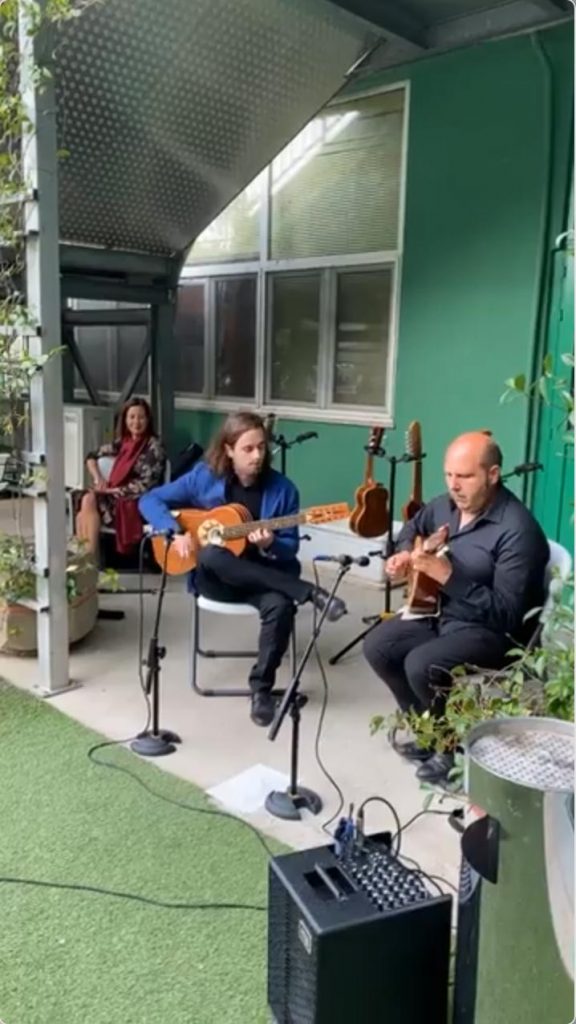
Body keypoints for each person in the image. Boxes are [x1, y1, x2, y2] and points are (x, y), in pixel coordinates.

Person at [139, 410, 347, 727]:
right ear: (228, 450)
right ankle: (309, 593)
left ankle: (261, 691)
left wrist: (269, 545)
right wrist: (174, 531)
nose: (257, 456)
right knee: (211, 554)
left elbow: (289, 546)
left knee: (280, 607)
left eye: (261, 447)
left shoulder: (284, 490)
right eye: (248, 449)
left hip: (263, 579)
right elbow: (150, 499)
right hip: (216, 579)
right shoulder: (204, 477)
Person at [363, 431, 549, 785]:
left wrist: (450, 578)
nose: (454, 485)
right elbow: (414, 526)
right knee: (379, 646)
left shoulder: (517, 531)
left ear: (492, 475)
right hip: (441, 613)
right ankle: (429, 733)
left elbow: (508, 615)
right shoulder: (445, 505)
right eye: (449, 475)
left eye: (465, 476)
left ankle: (448, 752)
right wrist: (403, 552)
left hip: (495, 634)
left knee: (421, 664)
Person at [76, 397, 166, 556]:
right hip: (113, 495)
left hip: (135, 500)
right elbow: (91, 456)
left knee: (90, 501)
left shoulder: (154, 446)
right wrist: (99, 479)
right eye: (131, 417)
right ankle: (87, 555)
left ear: (148, 420)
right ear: (125, 420)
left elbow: (145, 485)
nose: (136, 422)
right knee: (87, 499)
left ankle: (88, 556)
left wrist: (109, 491)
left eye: (141, 417)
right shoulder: (123, 442)